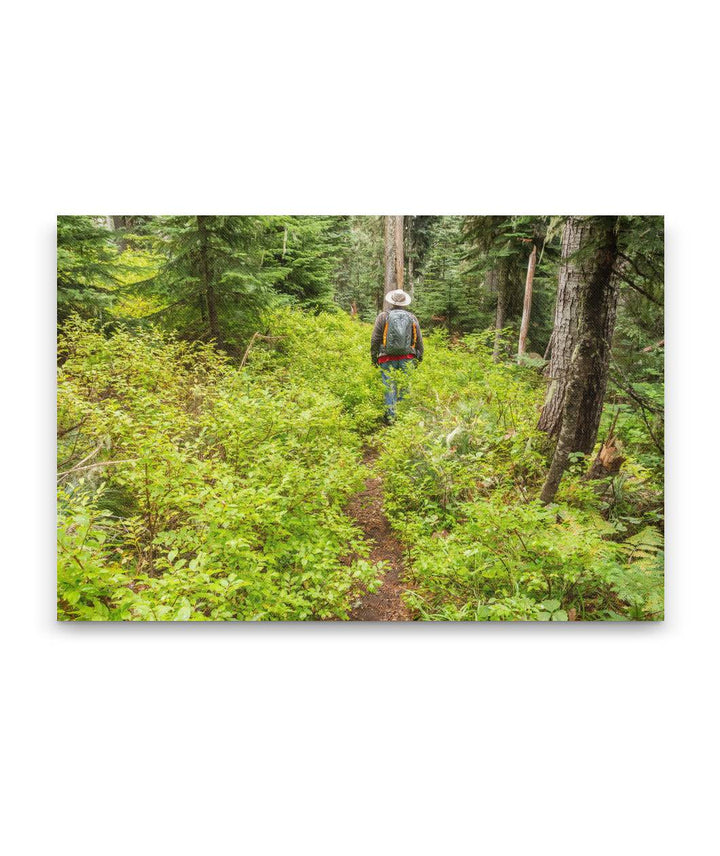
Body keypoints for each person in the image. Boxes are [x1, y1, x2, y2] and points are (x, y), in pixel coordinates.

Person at [371, 289, 424, 422]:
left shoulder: (382, 317)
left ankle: (390, 416)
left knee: (389, 386)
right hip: (408, 358)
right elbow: (419, 340)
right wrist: (419, 356)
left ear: (391, 302)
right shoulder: (412, 318)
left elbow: (375, 339)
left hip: (386, 358)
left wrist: (374, 357)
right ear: (404, 303)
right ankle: (403, 415)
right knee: (405, 385)